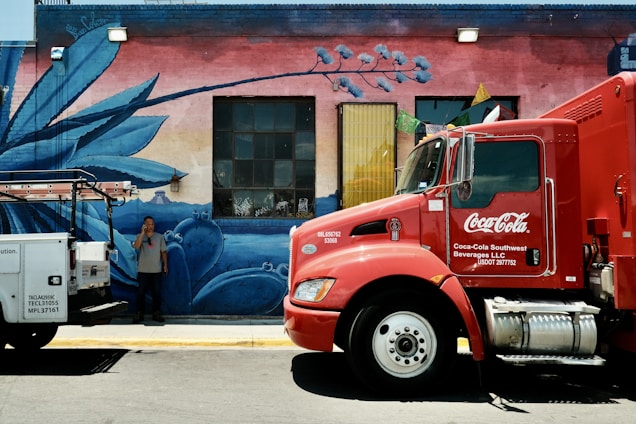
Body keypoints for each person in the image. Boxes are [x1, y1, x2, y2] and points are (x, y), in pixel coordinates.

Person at [132, 215, 168, 323]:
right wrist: (143, 233)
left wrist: (165, 265)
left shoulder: (159, 237)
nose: (150, 226)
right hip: (143, 270)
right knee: (141, 293)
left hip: (156, 270)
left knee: (157, 293)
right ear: (144, 225)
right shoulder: (139, 236)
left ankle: (156, 313)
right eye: (148, 224)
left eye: (152, 224)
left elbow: (163, 252)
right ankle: (139, 313)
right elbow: (136, 247)